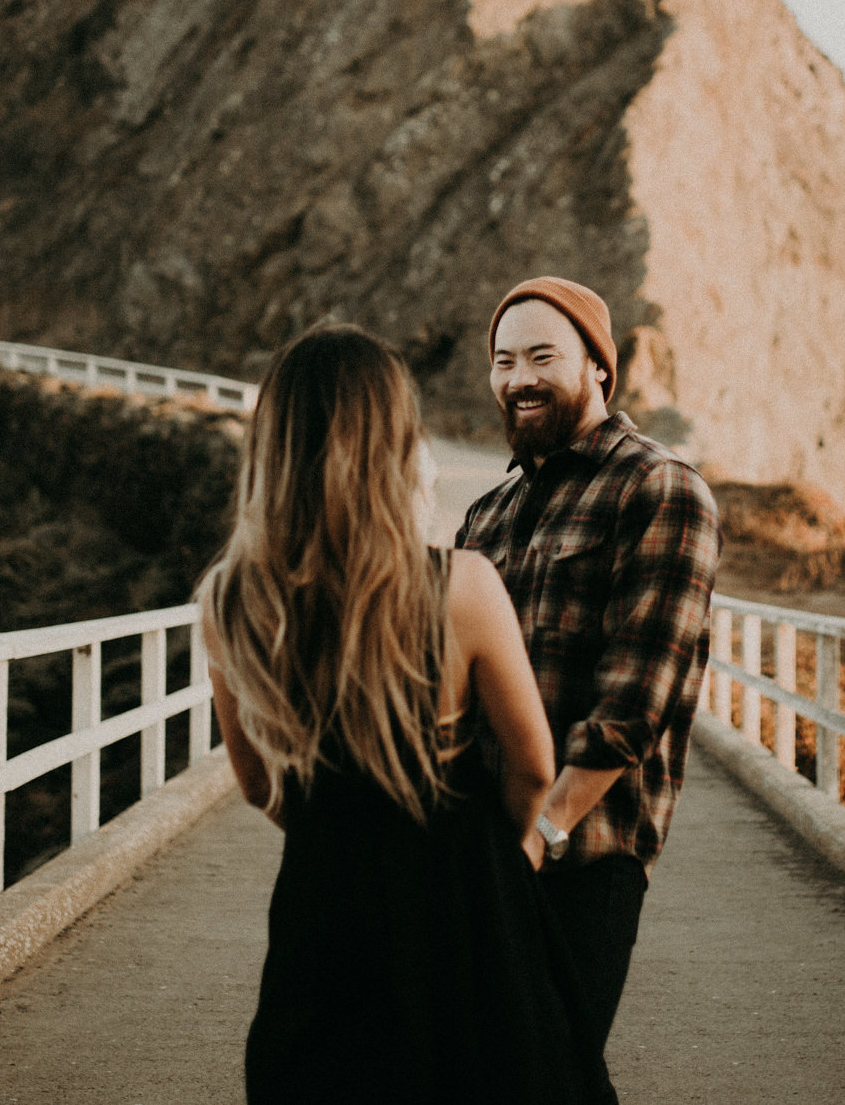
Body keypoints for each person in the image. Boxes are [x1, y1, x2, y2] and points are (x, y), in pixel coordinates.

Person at [201, 325, 590, 1105]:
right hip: (462, 902)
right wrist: (497, 855)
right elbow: (534, 767)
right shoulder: (463, 586)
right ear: (392, 446)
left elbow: (255, 784)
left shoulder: (229, 600)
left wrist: (338, 831)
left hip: (321, 907)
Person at [455, 277, 721, 1104]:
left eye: (543, 356)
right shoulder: (485, 515)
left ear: (598, 370)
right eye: (504, 361)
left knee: (548, 1068)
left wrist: (545, 831)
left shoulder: (659, 489)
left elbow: (637, 697)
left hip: (585, 850)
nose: (520, 378)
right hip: (479, 849)